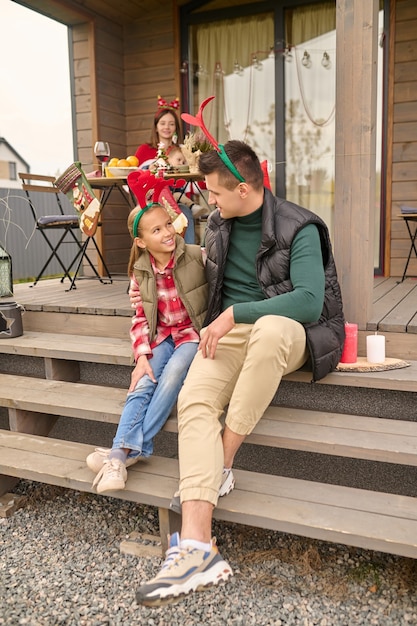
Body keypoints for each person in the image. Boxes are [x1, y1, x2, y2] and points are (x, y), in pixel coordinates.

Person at [134, 139, 345, 607]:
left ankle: (224, 459)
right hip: (227, 334)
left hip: (291, 333)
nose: (209, 201)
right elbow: (184, 274)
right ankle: (195, 548)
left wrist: (235, 313)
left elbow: (311, 301)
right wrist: (149, 343)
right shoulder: (217, 225)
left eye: (215, 193)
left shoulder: (299, 226)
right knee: (193, 401)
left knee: (268, 328)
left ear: (246, 190)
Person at [86, 201, 207, 493]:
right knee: (142, 381)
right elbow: (140, 318)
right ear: (141, 242)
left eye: (168, 224)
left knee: (173, 374)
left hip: (192, 335)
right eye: (157, 229)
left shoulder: (196, 256)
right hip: (162, 335)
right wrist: (141, 356)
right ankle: (124, 454)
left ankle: (120, 453)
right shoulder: (140, 272)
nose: (167, 232)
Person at [135, 97, 195, 244]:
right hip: (152, 202)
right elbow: (134, 179)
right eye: (162, 123)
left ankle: (189, 257)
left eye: (171, 124)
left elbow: (191, 180)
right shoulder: (145, 150)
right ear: (156, 127)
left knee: (185, 213)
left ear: (176, 128)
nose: (166, 127)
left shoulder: (182, 151)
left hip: (177, 200)